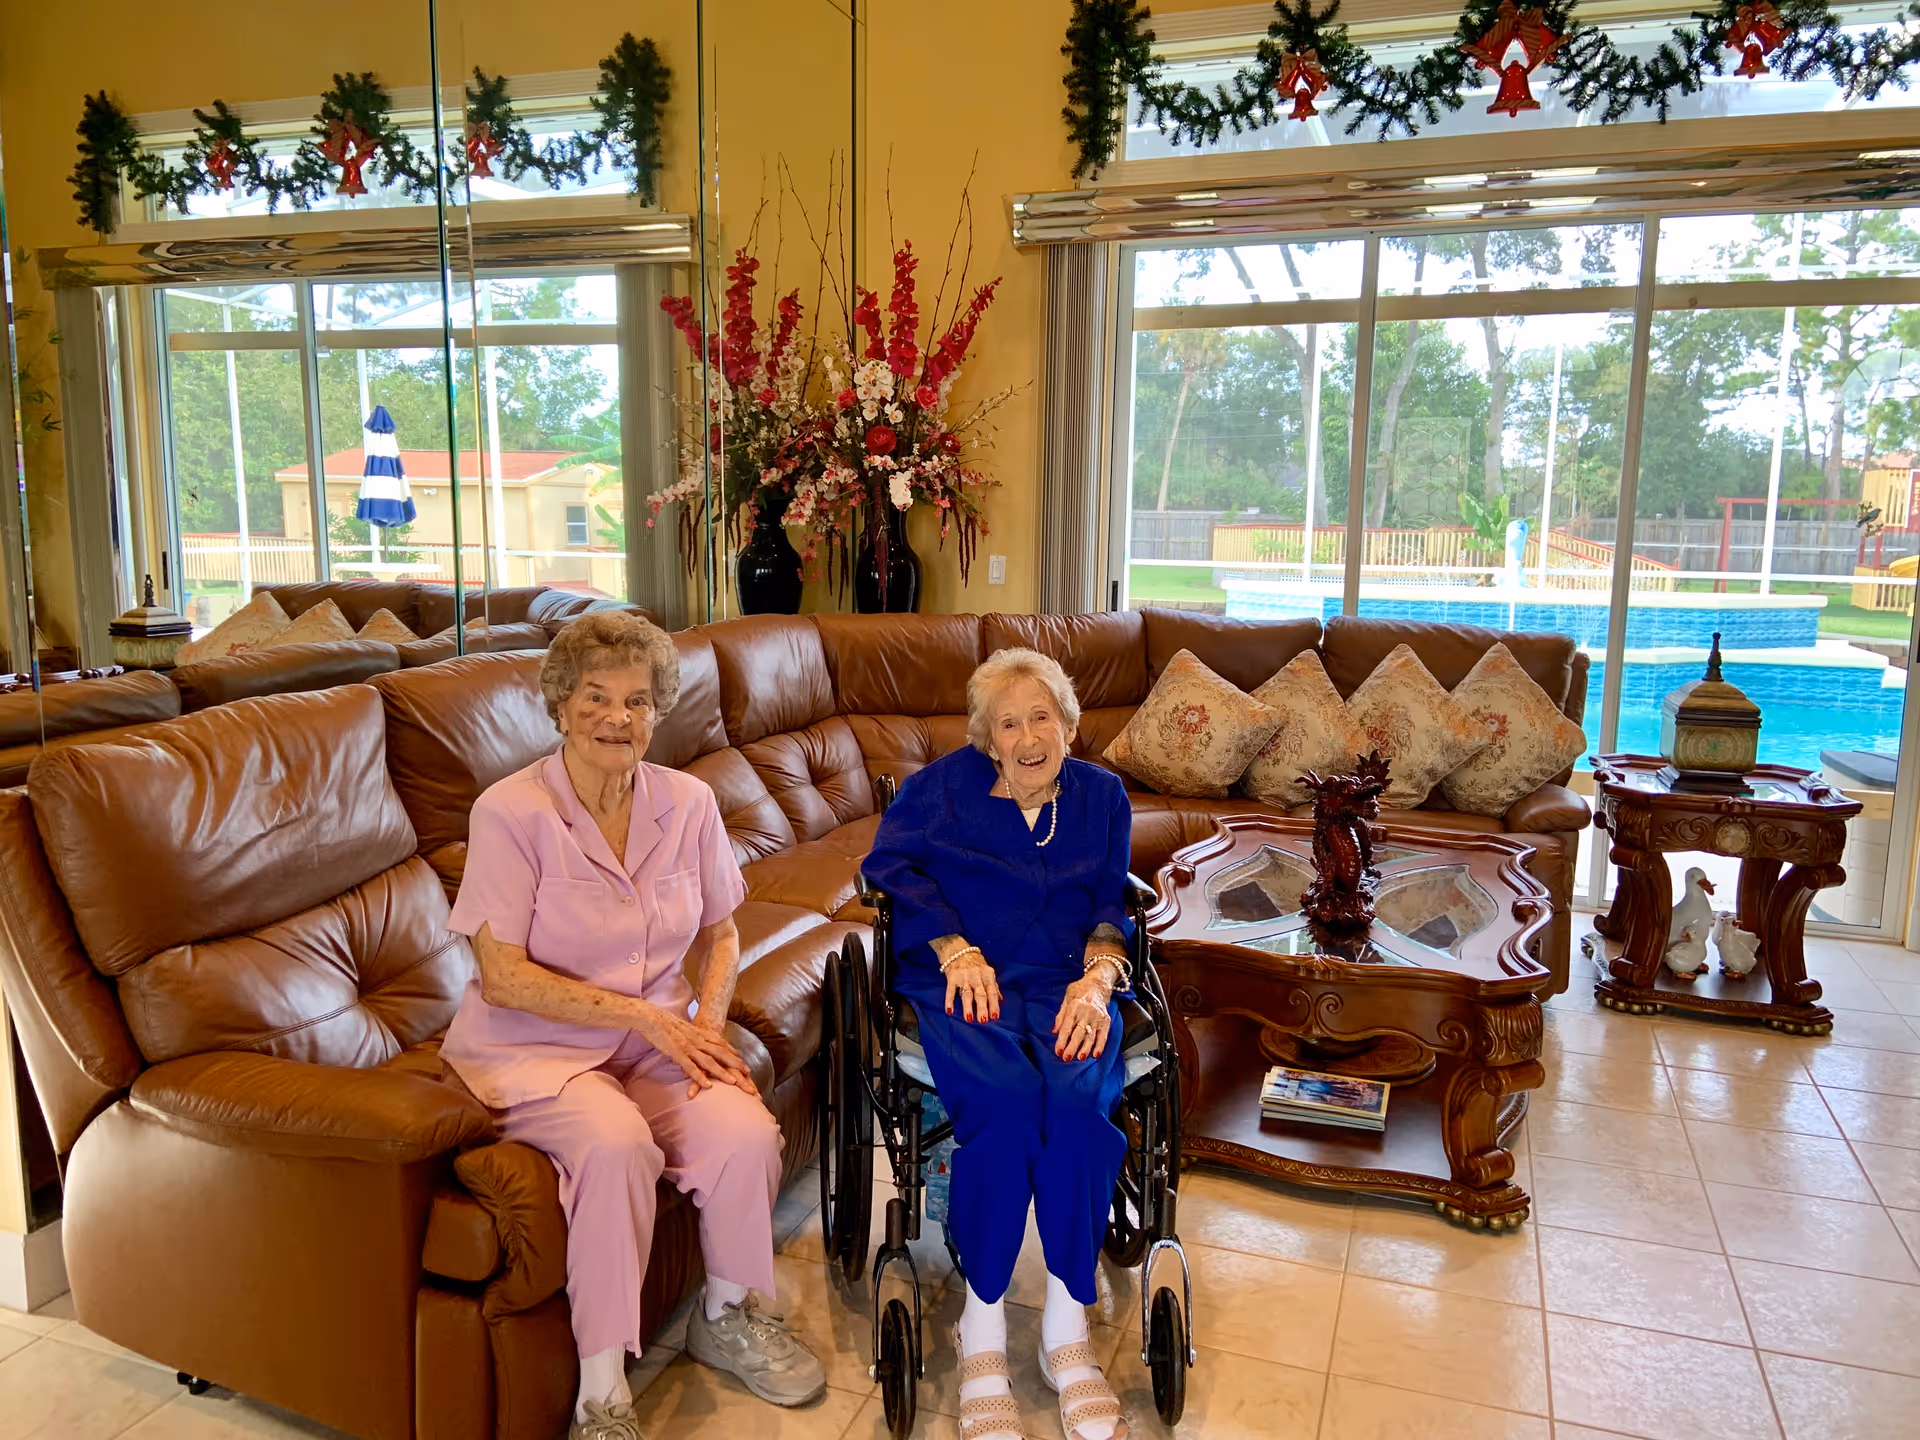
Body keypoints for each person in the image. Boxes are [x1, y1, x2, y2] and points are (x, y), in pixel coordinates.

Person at [440, 611, 826, 1440]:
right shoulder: (510, 813)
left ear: (659, 711)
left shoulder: (685, 802)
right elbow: (502, 976)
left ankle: (723, 1315)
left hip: (657, 1039)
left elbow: (723, 932)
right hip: (533, 1053)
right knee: (615, 1145)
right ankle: (602, 1392)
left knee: (743, 1131)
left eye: (638, 701)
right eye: (597, 697)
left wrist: (709, 1029)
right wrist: (649, 1017)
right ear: (560, 705)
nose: (619, 718)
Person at [863, 647, 1135, 1440]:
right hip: (965, 980)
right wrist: (951, 944)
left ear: (1070, 726)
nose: (1026, 736)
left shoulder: (1102, 797)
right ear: (986, 737)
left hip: (1066, 981)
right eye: (1007, 723)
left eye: (1040, 716)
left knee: (1082, 1112)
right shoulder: (940, 791)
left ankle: (1065, 1329)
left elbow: (1113, 903)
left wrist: (1098, 983)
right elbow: (889, 864)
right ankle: (981, 1327)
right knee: (1008, 1111)